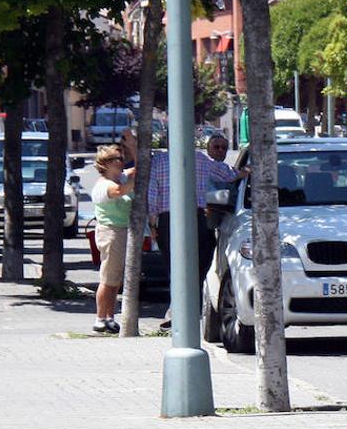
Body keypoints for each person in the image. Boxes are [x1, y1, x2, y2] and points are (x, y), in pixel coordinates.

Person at [145, 138, 248, 328]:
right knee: (199, 262)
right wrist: (245, 172)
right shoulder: (200, 159)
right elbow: (227, 174)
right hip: (194, 216)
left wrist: (153, 223)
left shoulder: (159, 161)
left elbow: (152, 192)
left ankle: (178, 310)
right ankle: (184, 308)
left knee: (174, 266)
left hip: (168, 218)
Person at [91, 145, 136, 334]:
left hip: (122, 231)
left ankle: (110, 317)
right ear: (105, 164)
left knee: (115, 279)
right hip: (111, 232)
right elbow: (119, 191)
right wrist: (134, 182)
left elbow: (137, 168)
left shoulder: (120, 177)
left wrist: (133, 145)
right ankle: (100, 318)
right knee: (108, 278)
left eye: (121, 158)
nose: (120, 161)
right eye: (116, 159)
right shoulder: (105, 185)